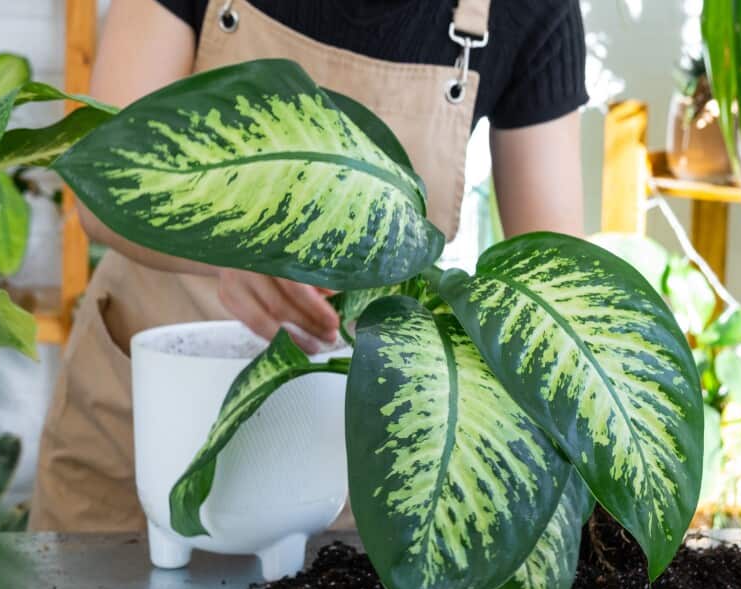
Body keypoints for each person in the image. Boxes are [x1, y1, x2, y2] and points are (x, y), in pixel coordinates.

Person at [30, 0, 590, 532]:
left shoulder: (532, 12)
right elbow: (105, 185)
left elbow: (553, 291)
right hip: (139, 428)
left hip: (334, 469)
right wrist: (238, 245)